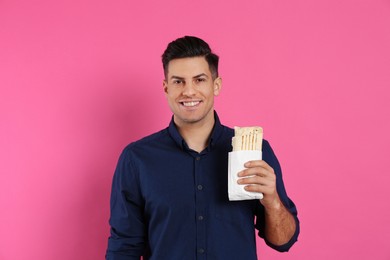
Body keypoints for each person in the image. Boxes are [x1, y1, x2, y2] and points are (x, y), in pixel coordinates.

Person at [106, 36, 299, 260]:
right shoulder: (137, 159)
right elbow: (124, 247)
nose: (189, 91)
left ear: (216, 85)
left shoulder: (256, 152)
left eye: (199, 80)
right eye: (178, 81)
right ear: (166, 87)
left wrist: (272, 201)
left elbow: (284, 242)